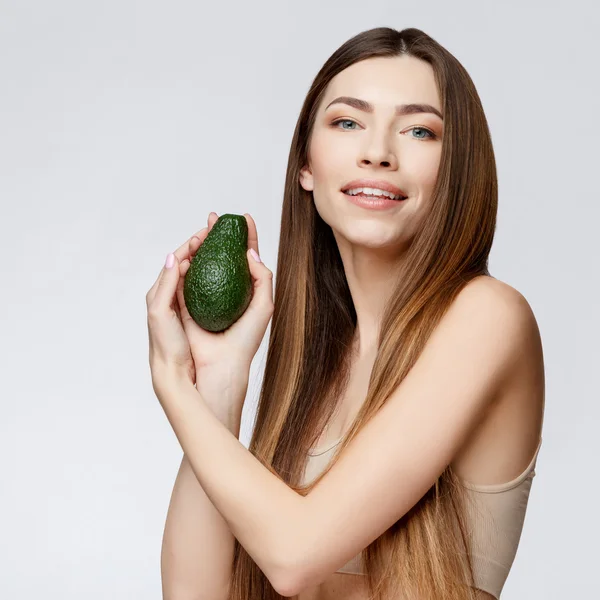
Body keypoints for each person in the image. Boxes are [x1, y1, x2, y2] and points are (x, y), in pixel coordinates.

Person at [147, 26, 545, 600]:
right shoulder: (320, 368)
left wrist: (170, 384)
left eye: (418, 130)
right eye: (347, 122)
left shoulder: (488, 318)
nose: (378, 151)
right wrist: (218, 383)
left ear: (455, 171)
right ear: (306, 168)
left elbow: (294, 556)